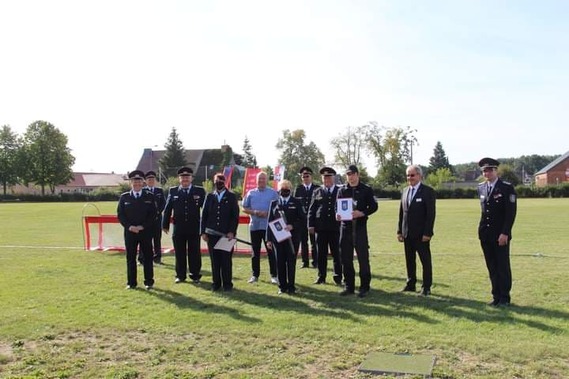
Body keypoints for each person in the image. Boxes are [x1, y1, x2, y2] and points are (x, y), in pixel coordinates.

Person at [477, 157, 517, 307]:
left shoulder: (506, 188)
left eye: (489, 170)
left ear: (496, 170)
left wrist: (505, 233)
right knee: (491, 266)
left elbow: (510, 213)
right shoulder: (481, 188)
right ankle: (496, 296)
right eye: (484, 171)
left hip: (500, 234)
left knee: (502, 266)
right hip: (485, 234)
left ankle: (505, 297)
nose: (487, 173)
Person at [336, 165, 378, 298]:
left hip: (359, 228)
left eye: (353, 174)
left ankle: (365, 286)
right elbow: (337, 207)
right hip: (345, 228)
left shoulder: (366, 189)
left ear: (358, 175)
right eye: (348, 174)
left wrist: (362, 213)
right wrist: (337, 214)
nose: (351, 177)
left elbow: (374, 206)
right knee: (346, 259)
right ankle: (349, 286)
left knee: (363, 259)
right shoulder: (342, 190)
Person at [397, 165, 436, 296]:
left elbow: (430, 214)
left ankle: (426, 287)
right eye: (408, 175)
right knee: (409, 260)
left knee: (425, 261)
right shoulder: (405, 191)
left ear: (419, 176)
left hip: (421, 235)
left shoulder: (428, 191)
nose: (410, 178)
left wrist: (428, 233)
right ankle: (411, 283)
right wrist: (399, 231)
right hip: (407, 233)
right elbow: (402, 213)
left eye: (412, 175)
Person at [162, 167, 206, 284]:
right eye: (183, 177)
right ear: (179, 179)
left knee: (194, 252)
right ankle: (180, 276)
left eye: (187, 177)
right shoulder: (173, 191)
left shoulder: (199, 191)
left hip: (194, 227)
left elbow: (206, 210)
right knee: (179, 253)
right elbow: (168, 209)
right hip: (179, 227)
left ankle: (195, 275)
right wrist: (165, 224)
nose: (185, 179)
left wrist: (205, 227)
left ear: (191, 178)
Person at [117, 170, 157, 290]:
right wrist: (129, 226)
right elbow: (120, 215)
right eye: (135, 181)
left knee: (148, 257)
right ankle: (131, 282)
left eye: (139, 181)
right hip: (130, 232)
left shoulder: (149, 196)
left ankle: (149, 282)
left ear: (143, 182)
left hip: (145, 232)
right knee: (131, 257)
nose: (137, 183)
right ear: (131, 183)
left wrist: (143, 226)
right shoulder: (124, 197)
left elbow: (153, 215)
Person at [201, 173, 240, 292]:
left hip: (226, 235)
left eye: (222, 181)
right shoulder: (210, 196)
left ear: (225, 182)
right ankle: (216, 283)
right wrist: (203, 232)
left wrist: (232, 231)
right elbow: (204, 215)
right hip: (212, 234)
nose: (219, 183)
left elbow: (235, 217)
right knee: (215, 260)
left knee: (226, 260)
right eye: (217, 181)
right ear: (214, 182)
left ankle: (227, 284)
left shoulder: (231, 196)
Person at [267, 179, 305, 294]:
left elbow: (303, 219)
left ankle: (291, 286)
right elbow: (270, 221)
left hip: (292, 238)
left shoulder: (297, 202)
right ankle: (282, 287)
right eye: (282, 189)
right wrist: (268, 239)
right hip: (278, 238)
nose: (284, 191)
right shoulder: (274, 203)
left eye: (286, 189)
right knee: (280, 262)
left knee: (291, 262)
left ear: (290, 190)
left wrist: (292, 226)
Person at [242, 171, 279, 284]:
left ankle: (274, 275)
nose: (261, 181)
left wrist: (268, 213)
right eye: (259, 179)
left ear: (267, 180)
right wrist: (254, 212)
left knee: (271, 251)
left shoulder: (273, 193)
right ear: (256, 180)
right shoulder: (250, 193)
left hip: (269, 228)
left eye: (263, 179)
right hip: (255, 226)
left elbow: (278, 209)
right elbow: (244, 208)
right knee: (255, 252)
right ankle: (255, 275)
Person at [308, 167, 342, 286]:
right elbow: (312, 209)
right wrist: (310, 225)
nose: (326, 179)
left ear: (334, 178)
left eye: (329, 177)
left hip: (335, 227)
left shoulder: (340, 191)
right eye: (324, 177)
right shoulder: (317, 191)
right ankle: (321, 276)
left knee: (336, 254)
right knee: (321, 254)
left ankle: (338, 277)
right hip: (320, 228)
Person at [294, 166, 320, 268]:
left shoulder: (317, 188)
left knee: (314, 241)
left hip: (313, 219)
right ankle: (305, 262)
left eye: (307, 176)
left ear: (311, 177)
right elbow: (296, 204)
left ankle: (315, 261)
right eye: (303, 176)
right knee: (303, 241)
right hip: (302, 220)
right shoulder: (298, 189)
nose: (305, 178)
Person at [144, 170, 166, 265]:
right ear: (146, 181)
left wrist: (158, 212)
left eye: (152, 179)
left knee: (157, 239)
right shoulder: (143, 191)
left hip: (157, 219)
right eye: (149, 179)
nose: (151, 181)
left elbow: (163, 203)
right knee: (145, 240)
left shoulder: (159, 191)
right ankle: (143, 258)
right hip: (146, 220)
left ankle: (157, 258)